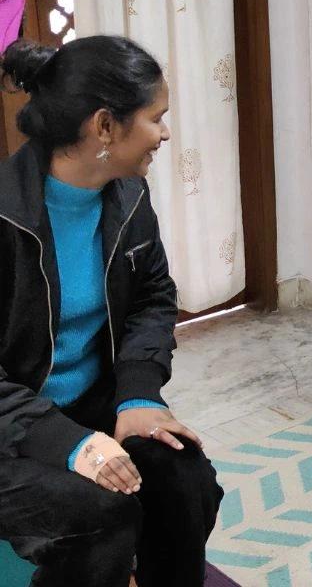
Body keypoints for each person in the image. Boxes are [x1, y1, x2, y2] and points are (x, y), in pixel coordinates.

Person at [0, 36, 223, 587]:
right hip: (11, 432)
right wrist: (65, 443)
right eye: (156, 117)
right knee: (99, 517)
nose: (165, 133)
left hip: (88, 408)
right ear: (104, 126)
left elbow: (152, 297)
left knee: (184, 476)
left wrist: (140, 395)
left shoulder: (127, 196)